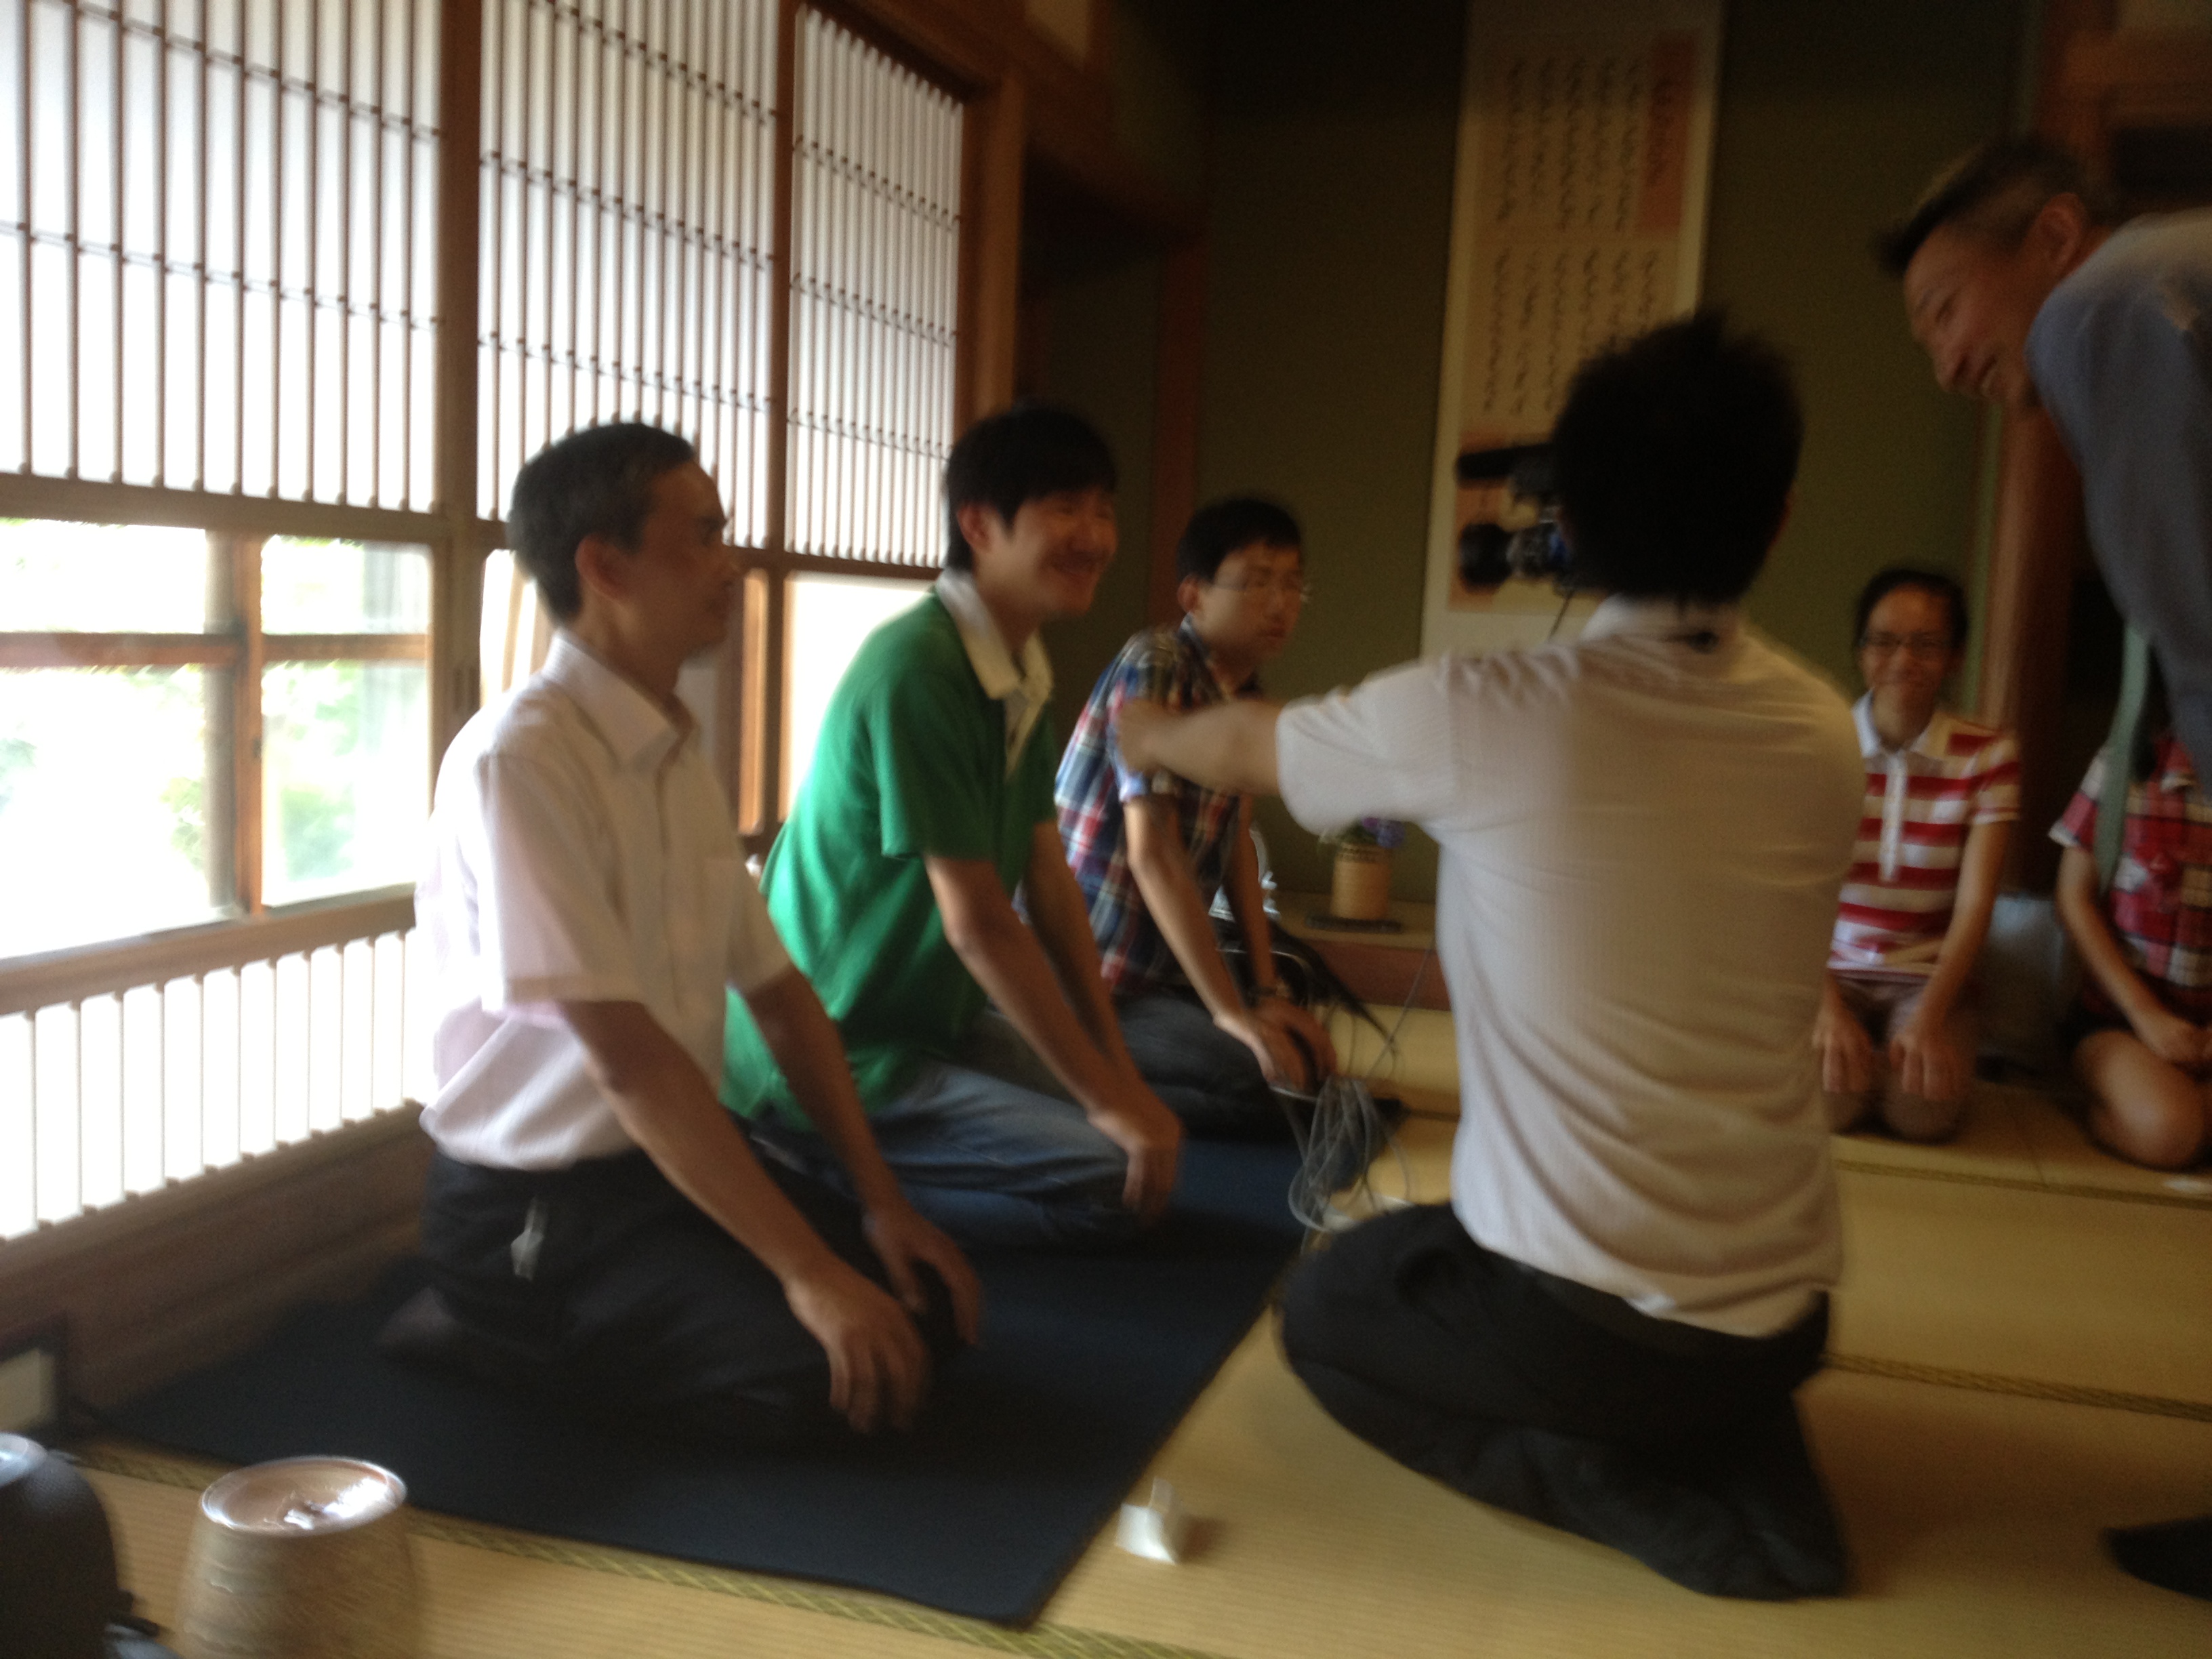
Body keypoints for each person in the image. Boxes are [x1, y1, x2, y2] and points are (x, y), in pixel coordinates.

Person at [1120, 314, 1862, 1599]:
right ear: (1779, 517)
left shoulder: (1489, 709)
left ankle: (1597, 1475)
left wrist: (1137, 728)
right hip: (1787, 1315)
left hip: (1585, 1323)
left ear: (1564, 521)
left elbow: (1239, 745)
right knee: (1452, 1252)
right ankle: (1722, 1436)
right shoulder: (1822, 729)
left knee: (1326, 1310)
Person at [391, 422, 979, 1446]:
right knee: (831, 1381)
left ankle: (591, 1324)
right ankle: (485, 1327)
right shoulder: (520, 760)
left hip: (662, 1167)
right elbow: (625, 1058)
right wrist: (806, 1272)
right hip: (530, 1208)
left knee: (916, 1311)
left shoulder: (670, 749)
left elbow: (780, 996)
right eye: (702, 535)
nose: (731, 563)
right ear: (605, 566)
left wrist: (880, 1201)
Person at [1884, 133, 2212, 1603]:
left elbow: (2195, 621)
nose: (1944, 360)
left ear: (2055, 235)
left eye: (1946, 308)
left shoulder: (2107, 306)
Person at [721, 401, 1184, 1248]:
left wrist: (1116, 1075)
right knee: (1112, 1178)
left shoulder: (1019, 665)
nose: (1094, 536)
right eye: (1065, 508)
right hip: (835, 1042)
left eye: (1103, 510)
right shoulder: (920, 669)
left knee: (1145, 1132)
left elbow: (1049, 884)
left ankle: (861, 1168)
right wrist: (1110, 1101)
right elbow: (979, 924)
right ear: (978, 525)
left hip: (928, 1019)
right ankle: (812, 1177)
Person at [1054, 496, 1339, 1136]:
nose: (1280, 603)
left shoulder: (1245, 695)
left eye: (1292, 584)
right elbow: (1152, 854)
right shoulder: (1156, 663)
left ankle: (1109, 1071)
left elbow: (1236, 845)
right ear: (1194, 596)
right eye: (1257, 582)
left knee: (1298, 1028)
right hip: (1088, 978)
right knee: (1261, 1075)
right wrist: (1230, 1016)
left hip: (1152, 974)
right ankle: (1063, 1077)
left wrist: (1265, 993)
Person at [1819, 568, 2018, 1142]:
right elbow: (1795, 892)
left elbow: (1976, 905)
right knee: (1829, 1107)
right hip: (1832, 972)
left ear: (1954, 657)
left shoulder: (1989, 753)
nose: (1903, 659)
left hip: (1929, 977)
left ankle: (1896, 1059)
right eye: (1884, 641)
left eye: (1926, 644)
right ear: (1861, 652)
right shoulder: (1823, 743)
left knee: (1922, 1116)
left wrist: (1930, 1017)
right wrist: (1826, 1010)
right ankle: (1864, 1061)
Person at [2048, 697, 2212, 1171]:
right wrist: (2147, 1016)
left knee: (2183, 1126)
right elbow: (2072, 898)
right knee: (2169, 1133)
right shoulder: (2126, 766)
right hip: (2119, 1021)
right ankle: (2134, 1107)